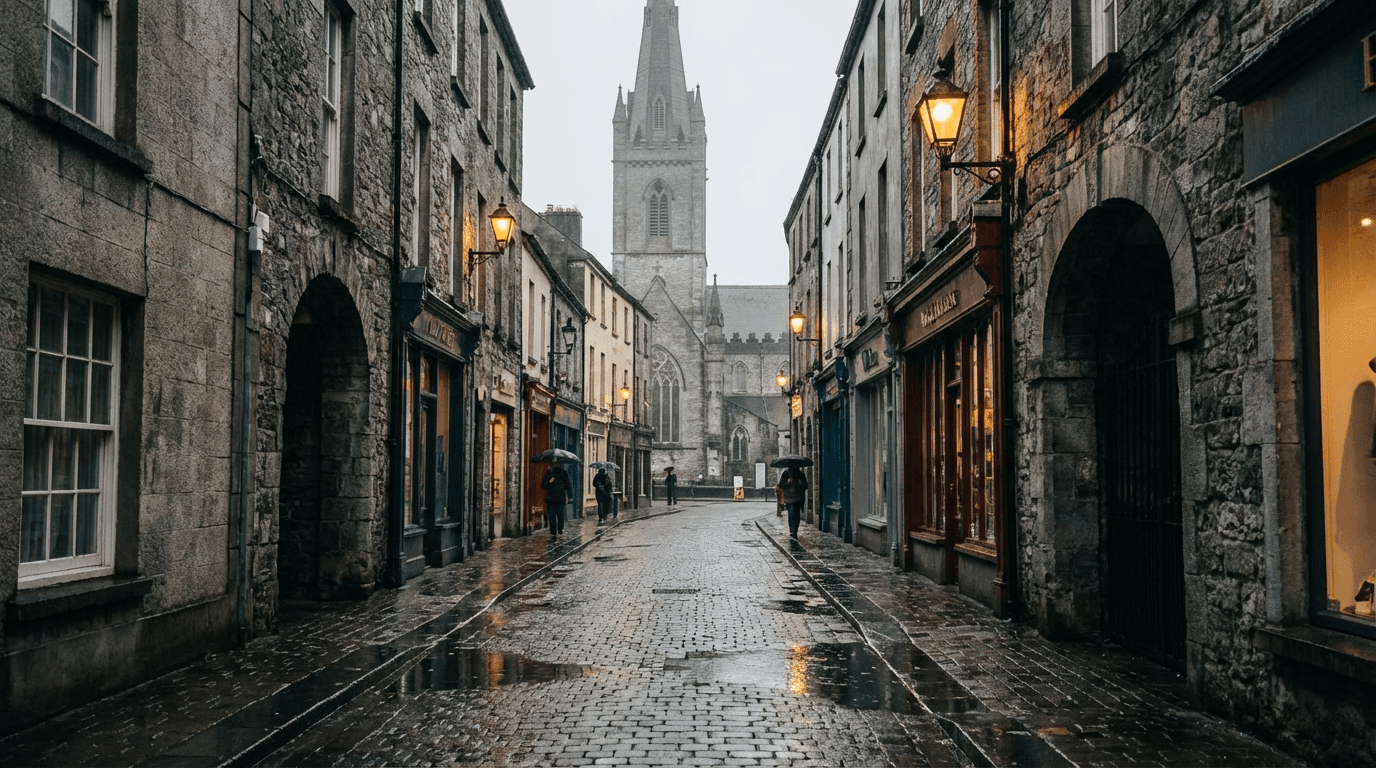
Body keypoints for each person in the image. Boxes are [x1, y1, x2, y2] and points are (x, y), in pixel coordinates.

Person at [541, 463, 573, 538]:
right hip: (551, 498)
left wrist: (570, 496)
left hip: (560, 499)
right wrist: (550, 482)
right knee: (552, 516)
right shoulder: (549, 473)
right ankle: (553, 531)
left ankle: (559, 529)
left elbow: (568, 485)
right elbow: (543, 485)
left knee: (560, 515)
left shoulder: (563, 473)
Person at [776, 466, 808, 539]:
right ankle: (792, 530)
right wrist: (787, 483)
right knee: (791, 513)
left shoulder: (800, 473)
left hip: (798, 497)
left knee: (797, 515)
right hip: (789, 498)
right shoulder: (786, 473)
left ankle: (795, 531)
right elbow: (781, 484)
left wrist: (801, 483)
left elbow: (806, 485)